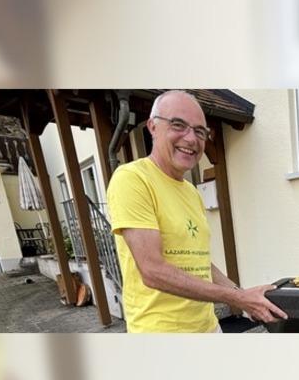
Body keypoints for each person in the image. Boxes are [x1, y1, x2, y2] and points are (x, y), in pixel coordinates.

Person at [106, 90, 287, 332]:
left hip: (208, 327)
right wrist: (237, 299)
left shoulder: (191, 191)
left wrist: (244, 297)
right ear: (152, 127)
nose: (191, 139)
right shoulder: (132, 179)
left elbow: (201, 264)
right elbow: (153, 271)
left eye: (200, 131)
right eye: (178, 125)